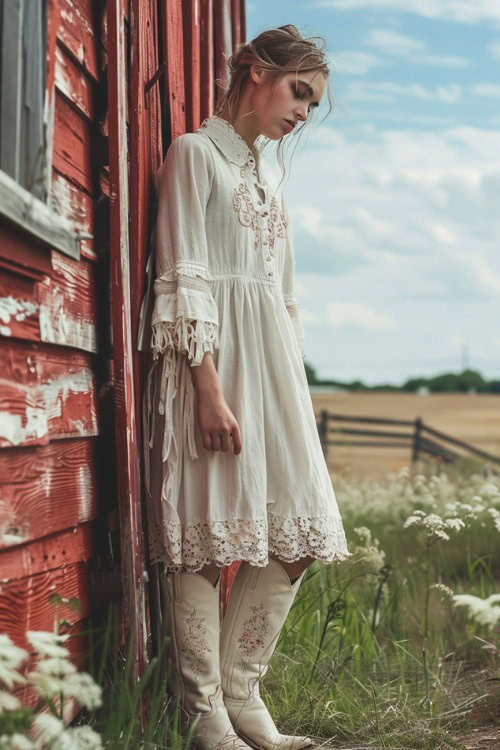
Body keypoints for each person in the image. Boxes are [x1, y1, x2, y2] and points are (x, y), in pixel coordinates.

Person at [142, 24, 352, 750]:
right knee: (205, 534)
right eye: (300, 93)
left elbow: (282, 296)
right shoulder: (195, 156)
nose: (302, 114)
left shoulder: (269, 177)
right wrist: (206, 388)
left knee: (300, 532)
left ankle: (242, 690)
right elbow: (184, 276)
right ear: (257, 72)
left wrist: (291, 385)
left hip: (272, 369)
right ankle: (203, 714)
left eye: (312, 102)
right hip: (214, 366)